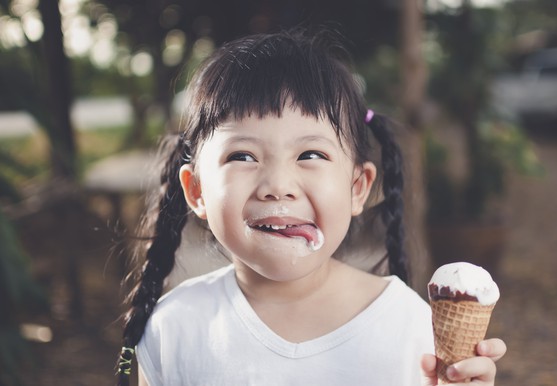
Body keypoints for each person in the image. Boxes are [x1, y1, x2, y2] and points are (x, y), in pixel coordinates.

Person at [116, 29, 506, 386]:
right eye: (243, 156)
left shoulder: (411, 328)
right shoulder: (173, 329)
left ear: (358, 188)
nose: (277, 186)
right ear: (197, 190)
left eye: (310, 153)